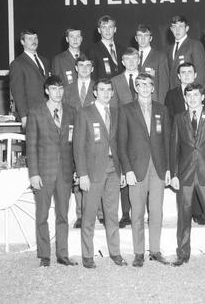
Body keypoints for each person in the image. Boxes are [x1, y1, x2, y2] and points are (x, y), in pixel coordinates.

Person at [170, 83, 205, 268]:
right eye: (189, 96)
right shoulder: (179, 118)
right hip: (185, 175)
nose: (192, 98)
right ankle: (182, 254)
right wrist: (174, 174)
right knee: (183, 218)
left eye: (196, 95)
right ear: (185, 98)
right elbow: (174, 148)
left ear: (202, 97)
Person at [118, 73, 171, 267]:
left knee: (156, 211)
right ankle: (139, 252)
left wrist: (168, 169)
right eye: (140, 85)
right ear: (136, 88)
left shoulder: (162, 110)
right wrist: (127, 170)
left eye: (148, 85)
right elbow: (121, 143)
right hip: (136, 168)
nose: (145, 88)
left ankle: (155, 250)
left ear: (153, 87)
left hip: (157, 167)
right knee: (138, 212)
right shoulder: (126, 110)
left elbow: (167, 141)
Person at [73, 78, 127, 268]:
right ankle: (87, 255)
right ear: (95, 92)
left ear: (112, 93)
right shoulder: (85, 113)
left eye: (108, 90)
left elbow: (119, 143)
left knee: (112, 214)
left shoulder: (115, 112)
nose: (105, 93)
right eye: (101, 90)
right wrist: (82, 174)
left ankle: (115, 252)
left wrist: (122, 171)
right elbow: (78, 146)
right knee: (88, 215)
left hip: (113, 168)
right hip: (93, 171)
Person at [26, 75, 78, 267]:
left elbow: (75, 145)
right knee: (42, 215)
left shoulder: (72, 112)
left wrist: (76, 169)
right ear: (47, 90)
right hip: (43, 173)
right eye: (54, 89)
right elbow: (31, 146)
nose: (58, 92)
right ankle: (44, 255)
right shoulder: (36, 113)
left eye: (61, 88)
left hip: (65, 172)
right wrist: (34, 173)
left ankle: (62, 254)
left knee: (63, 215)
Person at [164, 62, 205, 225]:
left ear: (195, 74)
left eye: (189, 72)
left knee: (201, 176)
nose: (186, 75)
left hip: (201, 142)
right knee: (187, 179)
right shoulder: (171, 94)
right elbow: (169, 119)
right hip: (182, 142)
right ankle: (188, 212)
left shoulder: (204, 92)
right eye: (182, 72)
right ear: (178, 76)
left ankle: (199, 212)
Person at [62, 56, 104, 229]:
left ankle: (100, 213)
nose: (85, 68)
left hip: (95, 138)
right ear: (76, 68)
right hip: (74, 138)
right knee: (79, 175)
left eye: (88, 65)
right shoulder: (67, 89)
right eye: (81, 65)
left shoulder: (100, 88)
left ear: (92, 68)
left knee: (98, 175)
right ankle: (80, 214)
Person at [110, 47, 140, 228]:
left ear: (138, 60)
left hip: (144, 131)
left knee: (143, 170)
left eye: (134, 59)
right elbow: (113, 109)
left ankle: (142, 211)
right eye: (127, 59)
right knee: (124, 169)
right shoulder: (115, 81)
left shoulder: (146, 79)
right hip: (124, 130)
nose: (131, 62)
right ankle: (126, 213)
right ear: (122, 62)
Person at [9, 29, 50, 128]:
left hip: (48, 113)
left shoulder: (45, 61)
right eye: (30, 38)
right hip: (31, 115)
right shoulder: (17, 64)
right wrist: (23, 116)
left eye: (35, 38)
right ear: (22, 42)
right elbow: (18, 92)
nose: (34, 41)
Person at [167, 15, 205, 89]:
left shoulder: (195, 45)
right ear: (171, 29)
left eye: (181, 26)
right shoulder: (169, 49)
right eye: (174, 27)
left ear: (187, 28)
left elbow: (200, 73)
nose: (177, 30)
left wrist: (194, 93)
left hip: (190, 92)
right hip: (175, 93)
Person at [135, 24, 169, 103]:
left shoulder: (160, 56)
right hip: (135, 102)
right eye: (140, 35)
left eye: (146, 36)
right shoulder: (131, 57)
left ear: (151, 38)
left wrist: (161, 105)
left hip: (153, 101)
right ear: (136, 38)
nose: (143, 39)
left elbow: (163, 85)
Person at [84, 15, 124, 80]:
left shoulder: (123, 50)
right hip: (103, 88)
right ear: (99, 30)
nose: (107, 30)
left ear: (115, 29)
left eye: (110, 27)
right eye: (104, 27)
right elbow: (92, 76)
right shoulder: (92, 50)